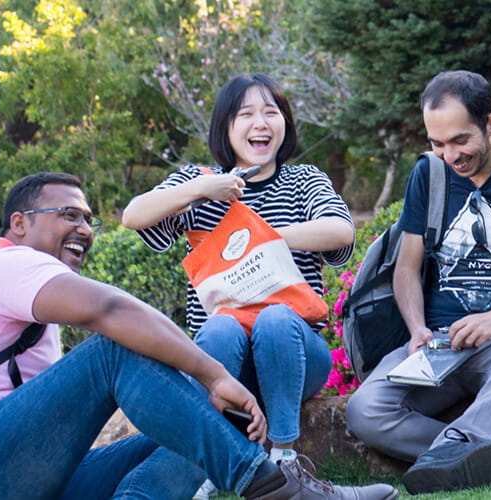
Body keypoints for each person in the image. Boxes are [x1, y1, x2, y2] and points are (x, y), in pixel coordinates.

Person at [0, 172, 394, 499]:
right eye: (68, 215)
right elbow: (110, 310)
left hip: (5, 475)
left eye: (88, 218)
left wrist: (202, 398)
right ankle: (277, 489)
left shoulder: (32, 303)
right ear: (19, 224)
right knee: (116, 349)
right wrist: (213, 373)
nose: (84, 228)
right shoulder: (3, 266)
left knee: (207, 426)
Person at [120, 73, 355, 498]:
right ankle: (217, 460)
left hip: (295, 355)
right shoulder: (201, 184)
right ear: (226, 128)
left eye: (271, 112)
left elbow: (340, 231)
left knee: (276, 318)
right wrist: (200, 189)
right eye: (246, 113)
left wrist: (262, 241)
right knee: (222, 326)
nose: (260, 123)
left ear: (284, 124)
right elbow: (134, 215)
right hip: (222, 360)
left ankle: (284, 458)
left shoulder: (303, 180)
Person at [343, 70, 491, 494]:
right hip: (438, 344)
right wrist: (416, 328)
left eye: (460, 140)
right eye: (437, 143)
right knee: (365, 411)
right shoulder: (429, 175)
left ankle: (452, 457)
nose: (450, 155)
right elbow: (407, 269)